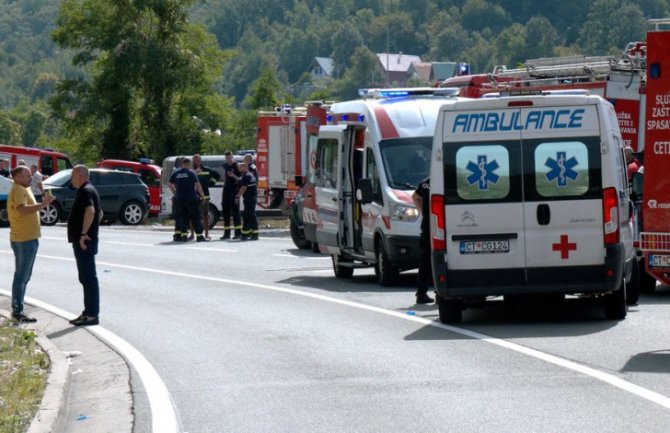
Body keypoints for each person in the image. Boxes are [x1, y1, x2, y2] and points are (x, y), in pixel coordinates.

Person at [7, 166, 54, 322]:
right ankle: (17, 311)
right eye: (27, 175)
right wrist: (42, 205)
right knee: (21, 276)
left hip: (26, 238)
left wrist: (43, 203)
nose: (31, 178)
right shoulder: (19, 189)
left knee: (24, 276)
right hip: (24, 239)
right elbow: (22, 210)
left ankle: (18, 309)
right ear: (18, 177)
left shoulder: (22, 188)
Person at [67, 165, 103, 326]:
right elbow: (99, 214)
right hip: (87, 240)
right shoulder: (89, 189)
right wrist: (92, 228)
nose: (71, 178)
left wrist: (84, 234)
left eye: (73, 175)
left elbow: (92, 211)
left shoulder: (86, 191)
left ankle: (92, 315)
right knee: (86, 278)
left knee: (88, 278)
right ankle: (88, 312)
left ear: (80, 175)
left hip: (84, 242)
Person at [169, 158, 206, 242]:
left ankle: (184, 236)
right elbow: (197, 185)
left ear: (182, 164)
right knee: (195, 216)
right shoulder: (191, 172)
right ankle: (199, 236)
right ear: (189, 164)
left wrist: (174, 192)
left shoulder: (176, 173)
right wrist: (203, 196)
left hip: (179, 198)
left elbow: (169, 184)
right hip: (191, 198)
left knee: (182, 217)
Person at [411, 177, 434, 304]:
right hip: (442, 223)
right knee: (442, 258)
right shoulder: (444, 179)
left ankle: (421, 293)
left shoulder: (425, 183)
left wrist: (423, 211)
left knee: (425, 260)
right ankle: (440, 293)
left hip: (427, 224)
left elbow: (415, 197)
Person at [192, 154, 221, 240]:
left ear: (201, 161)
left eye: (198, 160)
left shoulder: (206, 170)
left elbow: (217, 175)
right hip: (193, 196)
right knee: (192, 216)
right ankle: (192, 234)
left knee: (205, 215)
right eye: (195, 160)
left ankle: (206, 234)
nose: (196, 161)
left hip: (205, 196)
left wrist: (211, 183)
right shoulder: (190, 170)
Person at [220, 151, 242, 240]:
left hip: (234, 191)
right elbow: (225, 177)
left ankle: (238, 233)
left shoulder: (236, 166)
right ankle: (226, 233)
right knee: (225, 213)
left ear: (232, 157)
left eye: (229, 157)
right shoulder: (225, 166)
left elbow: (240, 179)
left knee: (236, 213)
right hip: (226, 191)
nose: (228, 159)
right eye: (227, 158)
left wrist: (233, 175)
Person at [237, 162, 258, 241]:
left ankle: (255, 234)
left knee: (251, 215)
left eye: (240, 167)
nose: (239, 168)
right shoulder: (250, 175)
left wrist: (237, 196)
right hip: (251, 198)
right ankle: (246, 233)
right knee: (247, 216)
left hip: (249, 198)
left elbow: (243, 188)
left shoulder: (246, 176)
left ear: (244, 167)